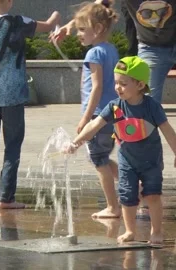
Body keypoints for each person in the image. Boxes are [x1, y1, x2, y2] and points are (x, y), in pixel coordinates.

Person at [55, 0, 176, 185]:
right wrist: (70, 26)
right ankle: (143, 169)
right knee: (141, 105)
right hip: (151, 47)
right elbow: (97, 7)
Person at [66, 56, 176, 245]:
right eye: (116, 83)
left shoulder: (151, 106)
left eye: (123, 83)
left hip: (151, 161)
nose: (117, 87)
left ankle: (157, 231)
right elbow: (94, 125)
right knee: (127, 196)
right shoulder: (115, 107)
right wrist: (76, 142)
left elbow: (168, 131)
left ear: (139, 84)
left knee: (152, 195)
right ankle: (130, 231)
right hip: (127, 161)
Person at [0, 0, 60, 209]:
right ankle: (7, 197)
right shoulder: (20, 22)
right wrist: (56, 17)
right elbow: (47, 25)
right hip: (13, 98)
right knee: (12, 147)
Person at [71, 0, 121, 218]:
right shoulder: (110, 49)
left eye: (82, 29)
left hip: (98, 113)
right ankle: (137, 188)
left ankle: (112, 206)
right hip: (113, 112)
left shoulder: (94, 54)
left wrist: (85, 119)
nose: (78, 34)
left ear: (98, 29)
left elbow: (97, 88)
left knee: (98, 160)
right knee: (102, 156)